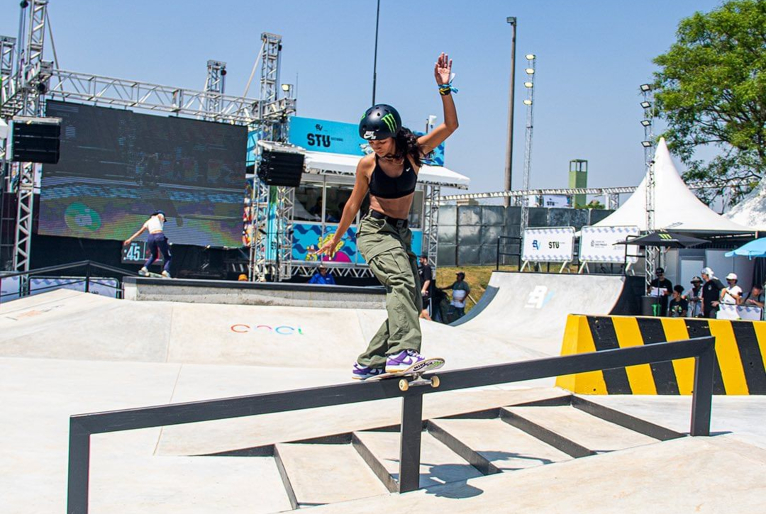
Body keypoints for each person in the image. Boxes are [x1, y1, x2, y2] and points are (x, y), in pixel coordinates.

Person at [315, 53, 458, 379]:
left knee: (409, 295)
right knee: (401, 282)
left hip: (400, 234)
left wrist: (444, 89)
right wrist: (336, 240)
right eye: (370, 141)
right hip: (374, 232)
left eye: (379, 140)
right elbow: (352, 205)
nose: (375, 146)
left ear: (393, 134)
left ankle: (370, 361)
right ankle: (402, 352)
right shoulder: (367, 165)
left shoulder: (415, 153)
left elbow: (451, 126)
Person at [124, 210, 172, 278]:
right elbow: (160, 215)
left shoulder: (148, 221)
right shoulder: (158, 217)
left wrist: (130, 239)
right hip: (159, 235)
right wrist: (161, 217)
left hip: (150, 238)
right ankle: (166, 271)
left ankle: (145, 268)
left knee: (154, 255)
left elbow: (140, 232)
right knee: (168, 256)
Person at [418, 254, 433, 320]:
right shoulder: (421, 268)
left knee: (423, 310)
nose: (419, 261)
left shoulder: (427, 268)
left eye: (420, 259)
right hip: (419, 290)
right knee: (420, 311)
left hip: (424, 292)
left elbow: (427, 280)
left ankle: (431, 323)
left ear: (425, 259)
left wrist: (423, 289)